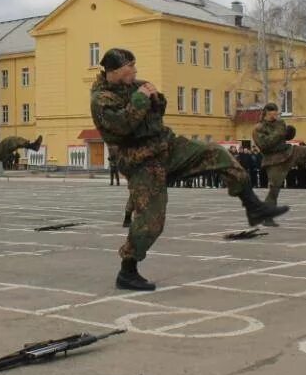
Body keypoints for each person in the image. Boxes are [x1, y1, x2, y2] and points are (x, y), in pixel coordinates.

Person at [90, 48, 288, 291]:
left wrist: (156, 98)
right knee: (152, 221)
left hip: (168, 146)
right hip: (141, 161)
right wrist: (142, 98)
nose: (135, 71)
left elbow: (157, 112)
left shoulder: (136, 86)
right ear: (114, 71)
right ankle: (127, 270)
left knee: (217, 153)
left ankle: (253, 206)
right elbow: (122, 125)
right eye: (130, 67)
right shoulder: (101, 99)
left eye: (134, 65)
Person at [252, 103, 306, 207]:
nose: (274, 117)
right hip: (273, 159)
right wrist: (279, 133)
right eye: (272, 115)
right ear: (266, 113)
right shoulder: (258, 128)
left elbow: (285, 138)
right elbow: (264, 145)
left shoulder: (279, 123)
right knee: (274, 188)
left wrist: (289, 133)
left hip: (288, 151)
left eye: (276, 114)